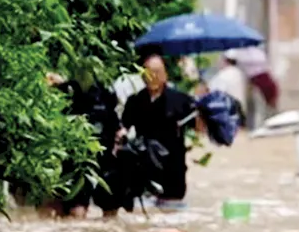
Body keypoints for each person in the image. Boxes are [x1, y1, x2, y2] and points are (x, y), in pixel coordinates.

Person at [119, 54, 197, 205]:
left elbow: (198, 127)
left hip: (172, 170)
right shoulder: (135, 100)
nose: (152, 77)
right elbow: (124, 127)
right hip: (144, 169)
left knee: (171, 214)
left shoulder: (180, 100)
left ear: (165, 74)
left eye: (157, 72)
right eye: (148, 72)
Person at [52, 74, 123, 218]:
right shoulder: (67, 91)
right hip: (76, 161)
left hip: (104, 159)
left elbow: (115, 125)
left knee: (110, 210)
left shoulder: (105, 92)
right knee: (75, 210)